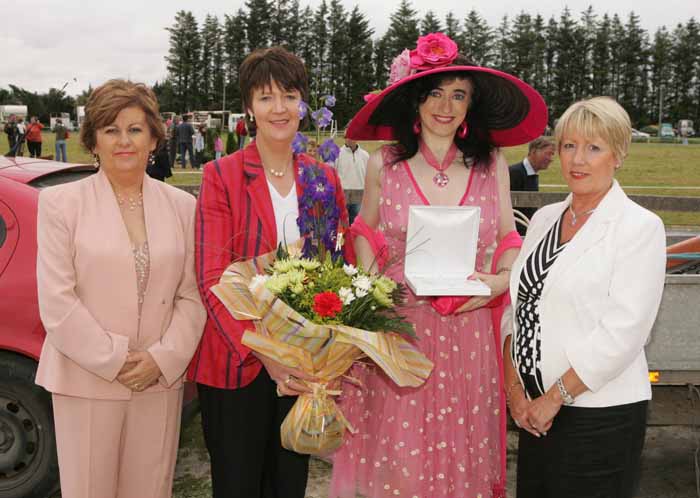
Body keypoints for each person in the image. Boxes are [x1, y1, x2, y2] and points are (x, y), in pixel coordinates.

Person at [330, 33, 547, 498]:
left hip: (468, 334)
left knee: (460, 456)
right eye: (434, 92)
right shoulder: (383, 164)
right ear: (414, 98)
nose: (445, 106)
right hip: (400, 330)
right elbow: (364, 230)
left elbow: (509, 236)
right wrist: (372, 289)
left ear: (471, 105)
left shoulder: (492, 163)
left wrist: (500, 280)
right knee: (400, 457)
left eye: (458, 94)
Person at [188, 46, 349, 498]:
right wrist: (267, 354)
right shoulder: (221, 175)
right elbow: (212, 277)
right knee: (237, 484)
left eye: (290, 95)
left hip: (302, 366)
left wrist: (330, 349)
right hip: (235, 364)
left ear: (303, 104)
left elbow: (337, 268)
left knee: (287, 484)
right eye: (265, 97)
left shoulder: (323, 178)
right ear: (248, 109)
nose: (279, 107)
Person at [35, 79, 206, 498]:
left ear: (153, 138)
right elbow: (57, 303)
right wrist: (116, 359)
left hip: (158, 383)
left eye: (135, 129)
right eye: (111, 129)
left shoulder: (184, 208)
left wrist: (161, 359)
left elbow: (194, 295)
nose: (124, 140)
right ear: (93, 140)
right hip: (85, 380)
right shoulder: (60, 205)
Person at [502, 97, 666, 498]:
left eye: (594, 147)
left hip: (599, 415)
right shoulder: (543, 220)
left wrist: (554, 397)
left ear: (619, 155)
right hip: (533, 412)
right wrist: (515, 391)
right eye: (568, 145)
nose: (578, 159)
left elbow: (625, 333)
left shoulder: (638, 228)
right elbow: (517, 309)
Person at [509, 137, 555, 234]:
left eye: (552, 155)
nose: (551, 159)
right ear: (534, 152)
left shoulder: (532, 174)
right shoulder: (515, 173)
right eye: (547, 154)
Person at [334, 136, 369, 224]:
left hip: (359, 195)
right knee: (342, 226)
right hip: (342, 194)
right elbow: (333, 175)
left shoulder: (365, 155)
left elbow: (368, 176)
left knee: (356, 226)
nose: (349, 139)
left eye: (352, 136)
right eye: (347, 136)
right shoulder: (337, 154)